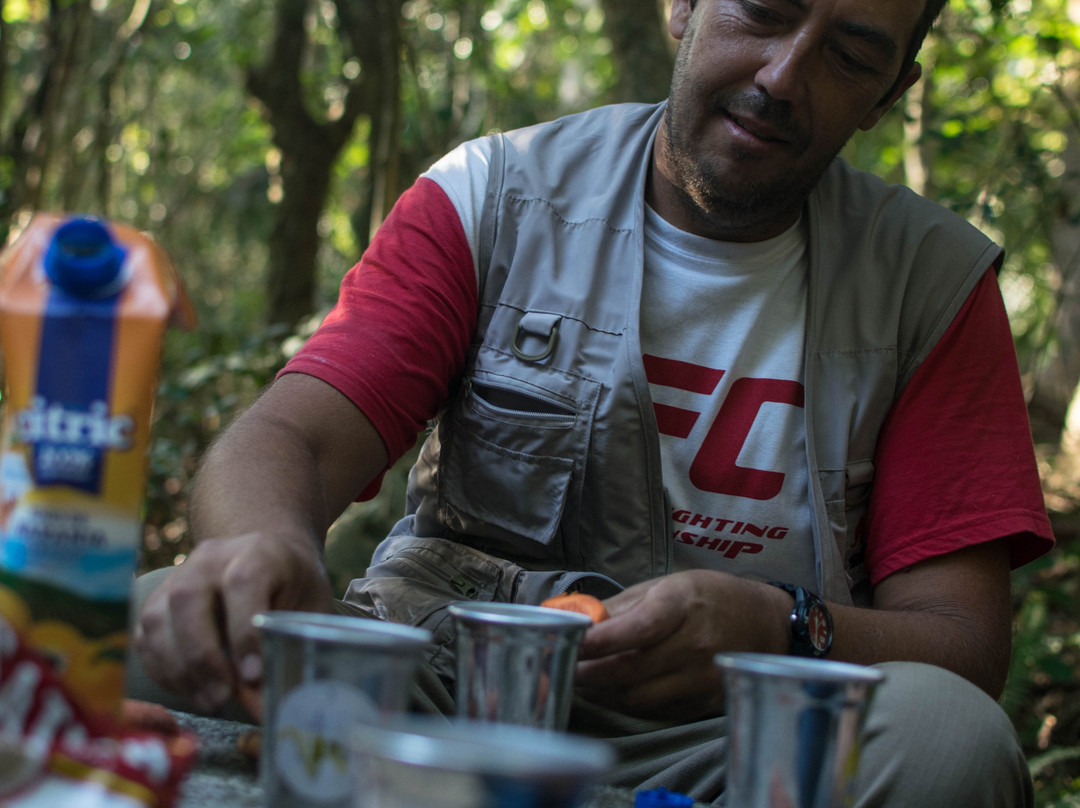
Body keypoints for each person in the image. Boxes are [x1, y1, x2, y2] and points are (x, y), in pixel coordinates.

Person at [131, 0, 1056, 804]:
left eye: (851, 55)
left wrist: (778, 624)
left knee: (949, 740)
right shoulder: (493, 194)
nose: (782, 76)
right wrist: (264, 553)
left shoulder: (931, 284)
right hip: (434, 675)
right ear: (685, 4)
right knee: (132, 621)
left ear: (890, 94)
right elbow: (290, 434)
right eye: (763, 12)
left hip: (737, 732)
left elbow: (961, 643)